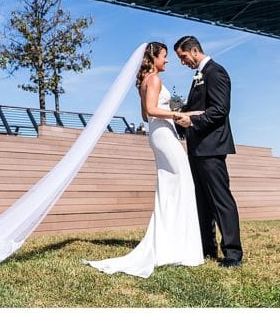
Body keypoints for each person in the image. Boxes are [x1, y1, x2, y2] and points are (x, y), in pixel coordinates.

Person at [84, 42, 203, 278]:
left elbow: (144, 114)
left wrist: (169, 113)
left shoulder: (144, 81)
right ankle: (178, 246)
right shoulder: (155, 79)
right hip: (164, 135)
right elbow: (151, 110)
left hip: (157, 133)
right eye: (164, 56)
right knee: (182, 184)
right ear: (154, 58)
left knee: (171, 188)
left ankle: (171, 244)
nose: (167, 60)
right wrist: (180, 114)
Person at [173, 36, 244, 268]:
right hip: (197, 147)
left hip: (212, 147)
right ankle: (207, 247)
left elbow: (220, 110)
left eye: (183, 57)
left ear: (194, 51)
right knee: (202, 201)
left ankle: (232, 253)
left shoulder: (216, 72)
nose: (182, 62)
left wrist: (191, 121)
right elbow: (195, 108)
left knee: (220, 200)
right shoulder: (198, 76)